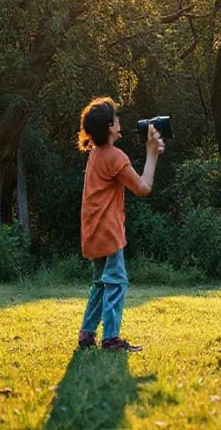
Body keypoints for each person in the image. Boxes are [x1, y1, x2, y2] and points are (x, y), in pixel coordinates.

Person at [76, 97, 164, 352]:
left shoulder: (96, 154)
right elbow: (143, 188)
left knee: (101, 283)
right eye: (116, 118)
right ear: (109, 127)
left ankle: (87, 333)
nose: (119, 121)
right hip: (108, 232)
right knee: (116, 282)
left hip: (93, 232)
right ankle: (111, 338)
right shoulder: (114, 156)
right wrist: (152, 153)